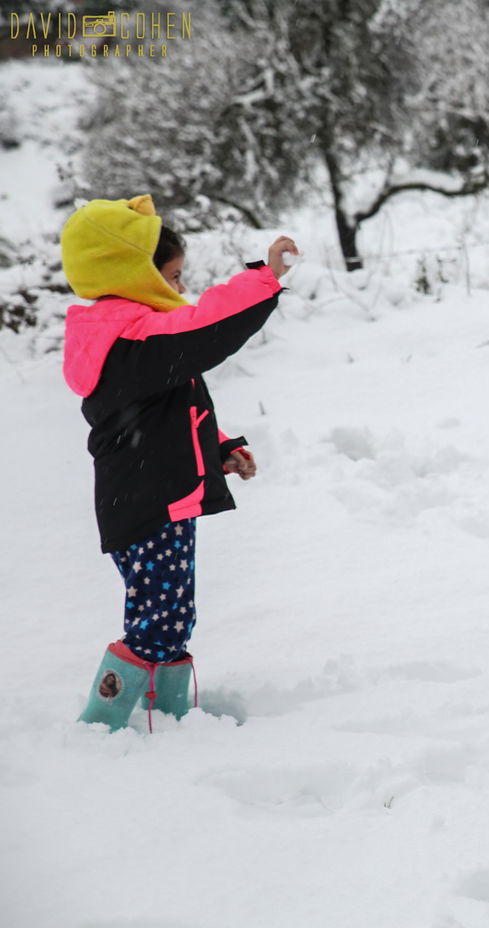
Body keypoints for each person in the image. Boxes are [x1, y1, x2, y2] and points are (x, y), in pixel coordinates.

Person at [61, 194, 299, 731]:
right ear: (130, 272)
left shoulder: (126, 338)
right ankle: (105, 722)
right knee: (157, 620)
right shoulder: (129, 338)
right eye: (171, 277)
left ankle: (166, 717)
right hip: (148, 504)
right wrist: (265, 278)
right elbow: (206, 329)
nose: (180, 289)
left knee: (170, 615)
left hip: (153, 496)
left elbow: (171, 414)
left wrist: (218, 450)